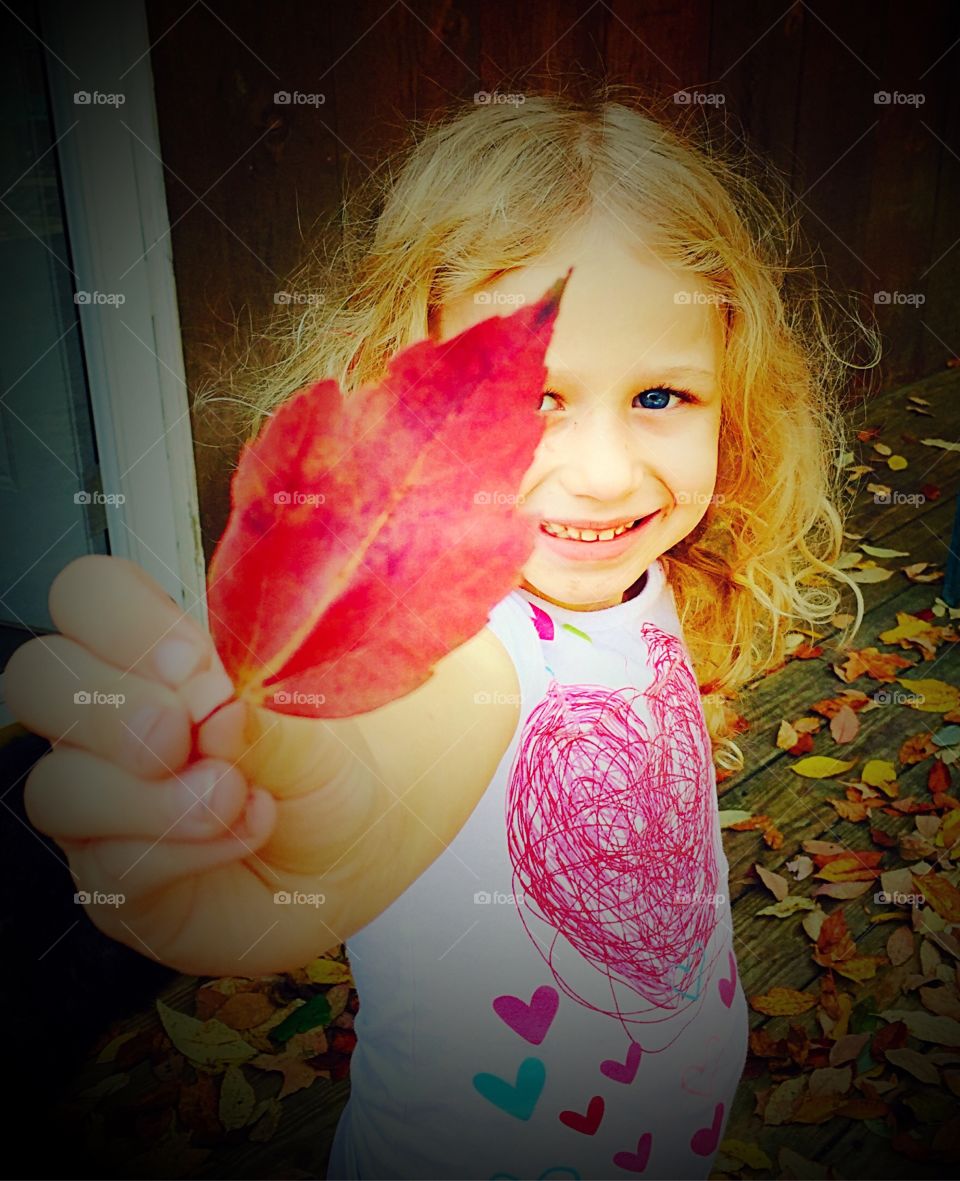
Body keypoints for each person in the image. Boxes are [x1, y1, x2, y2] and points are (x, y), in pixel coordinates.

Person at [5, 86, 874, 1180]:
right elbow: (399, 745)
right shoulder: (454, 648)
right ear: (408, 412)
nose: (606, 472)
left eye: (662, 394)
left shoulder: (633, 583)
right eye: (534, 397)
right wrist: (301, 811)